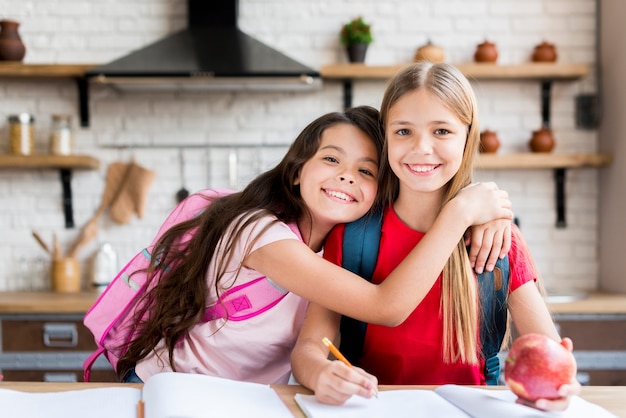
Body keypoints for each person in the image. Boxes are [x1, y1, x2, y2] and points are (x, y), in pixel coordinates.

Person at [117, 105, 513, 386]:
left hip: (241, 401)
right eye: (330, 159)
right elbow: (385, 306)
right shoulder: (260, 233)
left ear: (380, 190)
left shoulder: (341, 247)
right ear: (295, 173)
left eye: (365, 171)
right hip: (172, 390)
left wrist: (486, 213)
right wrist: (461, 212)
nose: (345, 177)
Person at [290, 63, 581, 411]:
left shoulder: (498, 239)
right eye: (403, 132)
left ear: (467, 137)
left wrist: (559, 387)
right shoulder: (352, 238)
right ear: (385, 138)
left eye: (442, 131)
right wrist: (321, 372)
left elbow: (549, 352)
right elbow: (309, 347)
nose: (422, 148)